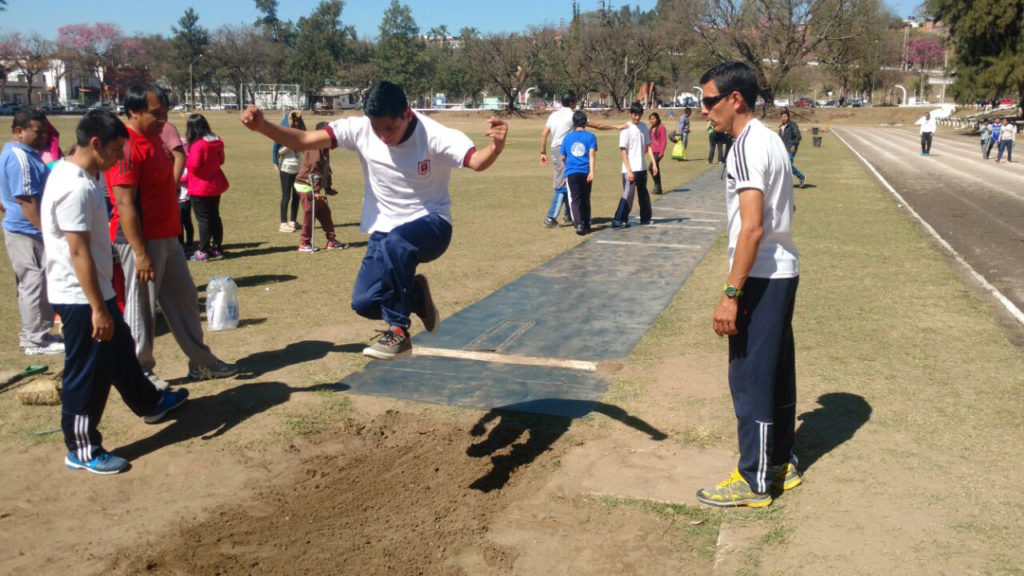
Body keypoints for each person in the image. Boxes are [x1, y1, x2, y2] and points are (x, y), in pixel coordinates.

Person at [241, 81, 507, 360]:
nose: (382, 136)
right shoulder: (360, 129)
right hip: (384, 230)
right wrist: (263, 126)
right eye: (376, 128)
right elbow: (305, 140)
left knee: (397, 242)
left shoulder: (434, 135)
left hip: (433, 224)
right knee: (365, 302)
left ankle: (399, 333)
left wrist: (496, 148)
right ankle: (416, 295)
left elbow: (476, 161)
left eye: (389, 128)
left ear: (406, 113)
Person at [41, 109, 188, 475]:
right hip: (80, 297)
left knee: (121, 352)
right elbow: (78, 251)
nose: (121, 158)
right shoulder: (73, 186)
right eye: (117, 150)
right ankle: (82, 447)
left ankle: (151, 403)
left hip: (96, 291)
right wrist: (98, 308)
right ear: (95, 144)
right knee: (87, 372)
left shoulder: (82, 175)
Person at [695, 61, 801, 508]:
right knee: (775, 372)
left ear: (734, 99)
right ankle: (778, 463)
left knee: (749, 376)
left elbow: (752, 228)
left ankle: (754, 479)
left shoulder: (743, 147)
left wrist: (731, 294)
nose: (704, 111)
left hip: (758, 275)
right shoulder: (771, 140)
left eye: (708, 101)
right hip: (782, 270)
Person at [106, 83, 238, 389]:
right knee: (141, 311)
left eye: (165, 112)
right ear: (133, 112)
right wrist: (139, 253)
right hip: (140, 241)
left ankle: (202, 363)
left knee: (185, 300)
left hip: (168, 237)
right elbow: (124, 202)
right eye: (155, 113)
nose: (163, 119)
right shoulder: (126, 147)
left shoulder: (154, 140)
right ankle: (142, 372)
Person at [1, 108, 63, 355]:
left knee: (37, 281)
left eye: (45, 133)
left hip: (26, 230)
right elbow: (26, 199)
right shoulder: (21, 157)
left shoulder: (18, 153)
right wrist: (46, 231)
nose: (44, 138)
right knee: (34, 283)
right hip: (28, 233)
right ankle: (35, 340)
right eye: (38, 133)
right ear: (19, 131)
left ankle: (38, 334)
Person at [539, 91, 618, 229]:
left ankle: (569, 215)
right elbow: (597, 125)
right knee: (563, 184)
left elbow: (544, 134)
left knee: (570, 183)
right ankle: (550, 218)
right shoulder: (572, 115)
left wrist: (542, 152)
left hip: (555, 149)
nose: (576, 104)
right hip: (563, 150)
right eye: (575, 101)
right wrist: (615, 127)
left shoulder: (553, 115)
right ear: (571, 103)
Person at [295, 121, 346, 252]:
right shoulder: (315, 148)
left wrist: (328, 187)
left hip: (315, 187)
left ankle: (331, 241)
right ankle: (304, 243)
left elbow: (326, 169)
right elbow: (314, 172)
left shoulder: (325, 147)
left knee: (325, 213)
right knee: (309, 213)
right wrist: (316, 191)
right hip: (306, 185)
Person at [185, 113, 230, 261]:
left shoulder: (198, 145)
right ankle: (217, 248)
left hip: (200, 187)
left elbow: (194, 166)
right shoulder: (217, 140)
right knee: (214, 217)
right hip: (214, 185)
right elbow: (221, 160)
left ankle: (203, 250)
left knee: (203, 219)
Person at [611, 102, 657, 229]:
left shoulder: (643, 127)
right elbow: (623, 151)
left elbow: (649, 146)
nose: (637, 118)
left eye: (639, 115)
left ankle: (646, 218)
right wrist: (629, 170)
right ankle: (618, 219)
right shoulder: (626, 129)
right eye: (635, 115)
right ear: (630, 114)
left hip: (642, 168)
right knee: (628, 196)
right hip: (629, 170)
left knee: (644, 195)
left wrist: (654, 164)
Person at [560, 110, 597, 235]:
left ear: (574, 123)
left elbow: (563, 157)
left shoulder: (567, 138)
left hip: (572, 172)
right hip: (586, 171)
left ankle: (579, 224)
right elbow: (592, 155)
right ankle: (587, 223)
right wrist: (592, 171)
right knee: (585, 199)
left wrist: (568, 167)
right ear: (586, 122)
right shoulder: (591, 137)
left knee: (575, 199)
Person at [274, 111, 304, 232]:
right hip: (286, 168)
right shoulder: (284, 134)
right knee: (286, 196)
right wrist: (290, 145)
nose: (296, 123)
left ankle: (293, 221)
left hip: (298, 167)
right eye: (294, 120)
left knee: (297, 196)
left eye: (298, 121)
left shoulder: (300, 133)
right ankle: (283, 223)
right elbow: (279, 152)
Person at [778, 109, 805, 188]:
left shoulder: (792, 125)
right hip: (782, 150)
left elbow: (798, 136)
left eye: (785, 116)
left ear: (788, 117)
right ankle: (801, 177)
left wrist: (793, 145)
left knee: (788, 165)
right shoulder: (781, 127)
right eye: (782, 117)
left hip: (790, 149)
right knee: (783, 166)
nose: (783, 118)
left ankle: (800, 178)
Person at [648, 112, 667, 194]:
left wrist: (662, 151)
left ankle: (657, 185)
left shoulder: (661, 127)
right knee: (655, 168)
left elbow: (664, 141)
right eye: (650, 119)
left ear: (658, 119)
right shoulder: (650, 129)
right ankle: (658, 188)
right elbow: (648, 141)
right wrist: (645, 150)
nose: (652, 120)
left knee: (651, 167)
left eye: (653, 119)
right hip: (652, 151)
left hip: (659, 151)